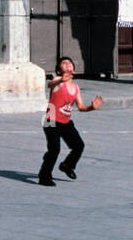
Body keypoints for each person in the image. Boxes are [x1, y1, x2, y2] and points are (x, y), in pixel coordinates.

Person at [38, 56, 102, 186]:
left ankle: (67, 166)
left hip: (65, 121)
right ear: (59, 71)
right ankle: (44, 176)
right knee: (54, 150)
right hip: (51, 120)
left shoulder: (76, 88)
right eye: (63, 63)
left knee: (79, 146)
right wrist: (61, 79)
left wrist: (92, 107)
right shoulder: (57, 81)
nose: (67, 64)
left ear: (73, 69)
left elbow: (81, 107)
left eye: (69, 63)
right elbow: (50, 84)